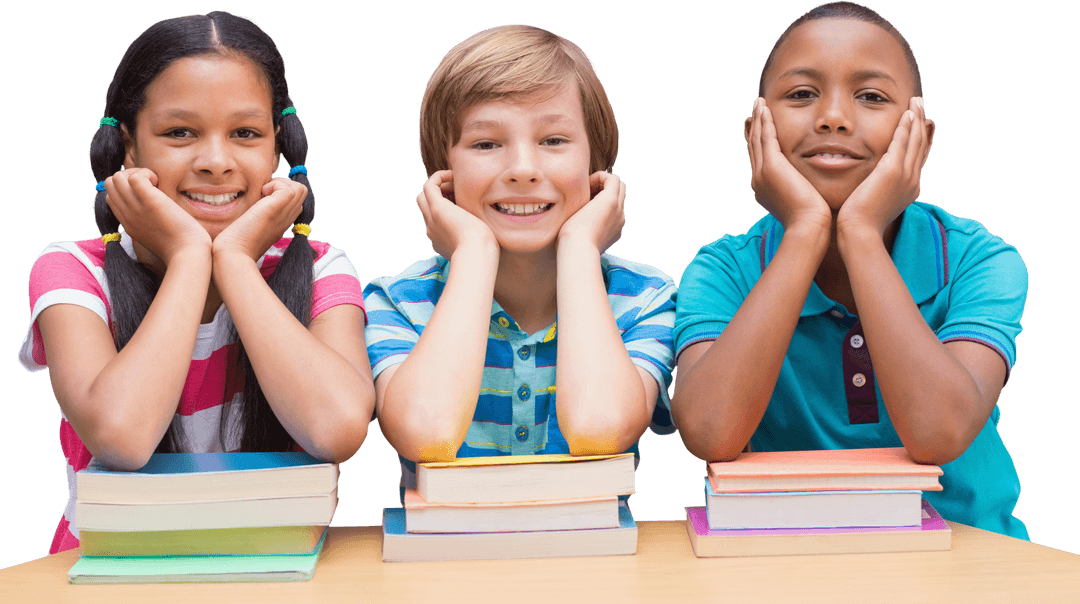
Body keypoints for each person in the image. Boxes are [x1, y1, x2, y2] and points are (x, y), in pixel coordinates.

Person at [17, 11, 375, 554]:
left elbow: (338, 428)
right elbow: (123, 437)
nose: (215, 160)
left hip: (278, 572)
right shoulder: (72, 270)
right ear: (129, 148)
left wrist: (232, 262)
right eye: (179, 132)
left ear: (279, 148)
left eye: (245, 134)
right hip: (103, 574)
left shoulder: (323, 268)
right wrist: (189, 257)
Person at [672, 1, 1028, 538]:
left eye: (871, 96)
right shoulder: (722, 270)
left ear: (921, 140)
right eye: (801, 94)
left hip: (971, 561)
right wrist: (805, 232)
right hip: (788, 564)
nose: (833, 117)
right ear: (756, 133)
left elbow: (938, 433)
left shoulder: (980, 261)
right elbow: (709, 432)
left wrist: (860, 232)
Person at [364, 25, 677, 498]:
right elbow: (426, 434)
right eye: (486, 144)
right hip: (439, 566)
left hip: (598, 565)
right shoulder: (397, 303)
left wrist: (579, 247)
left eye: (554, 140)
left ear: (598, 166)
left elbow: (599, 428)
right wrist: (473, 253)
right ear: (442, 174)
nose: (523, 169)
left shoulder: (645, 298)